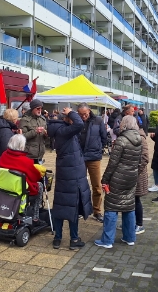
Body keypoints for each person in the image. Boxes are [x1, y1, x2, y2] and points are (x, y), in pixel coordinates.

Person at [94, 115, 142, 248]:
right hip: (132, 177)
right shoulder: (139, 140)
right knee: (129, 206)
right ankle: (130, 237)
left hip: (118, 177)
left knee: (111, 207)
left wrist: (105, 179)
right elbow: (140, 161)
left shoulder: (121, 140)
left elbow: (113, 163)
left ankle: (107, 240)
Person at [48, 107, 92, 250]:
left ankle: (58, 238)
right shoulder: (64, 131)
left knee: (61, 206)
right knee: (72, 206)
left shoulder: (61, 129)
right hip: (72, 174)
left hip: (66, 172)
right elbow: (80, 124)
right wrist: (71, 112)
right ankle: (73, 239)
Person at [0, 134, 46, 224]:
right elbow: (35, 177)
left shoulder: (4, 155)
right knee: (40, 186)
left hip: (4, 188)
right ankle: (35, 217)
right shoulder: (26, 161)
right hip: (20, 191)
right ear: (22, 146)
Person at [77, 103, 109, 223]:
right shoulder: (77, 121)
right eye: (80, 114)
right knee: (80, 184)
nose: (83, 116)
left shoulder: (98, 121)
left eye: (84, 114)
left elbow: (104, 136)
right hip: (80, 157)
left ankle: (97, 211)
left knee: (97, 185)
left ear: (89, 111)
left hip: (94, 156)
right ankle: (80, 209)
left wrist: (99, 148)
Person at [0, 109, 21, 179]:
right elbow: (7, 149)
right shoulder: (6, 131)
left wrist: (15, 134)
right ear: (13, 119)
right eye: (16, 118)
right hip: (3, 165)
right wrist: (19, 138)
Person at [19, 99, 48, 164]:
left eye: (41, 108)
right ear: (32, 108)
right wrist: (35, 131)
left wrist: (46, 135)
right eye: (38, 108)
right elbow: (21, 137)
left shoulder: (42, 119)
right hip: (29, 155)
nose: (40, 110)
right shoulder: (24, 120)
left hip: (40, 154)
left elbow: (45, 137)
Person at [134, 125, 150, 234]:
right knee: (131, 200)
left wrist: (136, 171)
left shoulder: (140, 137)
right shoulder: (132, 136)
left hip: (137, 175)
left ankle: (139, 225)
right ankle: (131, 222)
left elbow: (145, 158)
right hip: (132, 174)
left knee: (136, 199)